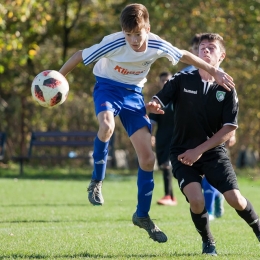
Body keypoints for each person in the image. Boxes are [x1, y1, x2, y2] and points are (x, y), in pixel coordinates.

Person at [59, 3, 235, 244]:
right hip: (107, 89)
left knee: (148, 159)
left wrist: (213, 71)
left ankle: (142, 215)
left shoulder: (156, 43)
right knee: (107, 126)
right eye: (128, 34)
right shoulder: (114, 42)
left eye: (137, 34)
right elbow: (80, 55)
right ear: (123, 32)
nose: (132, 39)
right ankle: (96, 181)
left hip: (133, 95)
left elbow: (184, 54)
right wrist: (58, 78)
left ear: (147, 29)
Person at [147, 33, 260, 255]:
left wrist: (199, 150)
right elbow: (160, 98)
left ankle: (258, 228)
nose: (205, 51)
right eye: (202, 48)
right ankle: (208, 241)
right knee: (197, 201)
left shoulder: (227, 87)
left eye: (211, 48)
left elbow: (229, 128)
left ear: (222, 56)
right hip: (181, 152)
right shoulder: (181, 80)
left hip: (212, 153)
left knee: (235, 199)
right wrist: (154, 104)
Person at [182, 33, 236, 220]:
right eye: (198, 47)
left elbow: (231, 107)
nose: (203, 51)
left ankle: (211, 208)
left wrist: (232, 131)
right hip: (191, 136)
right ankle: (213, 202)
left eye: (209, 48)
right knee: (198, 176)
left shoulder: (219, 74)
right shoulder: (185, 75)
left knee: (212, 172)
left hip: (213, 135)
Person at [149, 72, 177, 206]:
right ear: (159, 82)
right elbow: (152, 121)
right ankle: (171, 196)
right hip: (162, 139)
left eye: (168, 80)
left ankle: (168, 196)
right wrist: (150, 135)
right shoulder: (157, 100)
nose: (166, 83)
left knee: (167, 165)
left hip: (177, 138)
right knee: (164, 166)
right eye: (163, 81)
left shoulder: (179, 98)